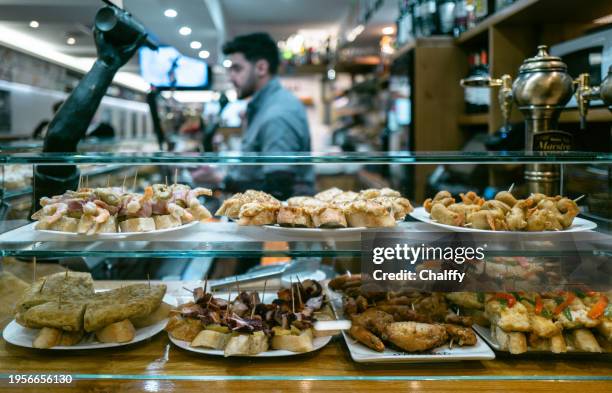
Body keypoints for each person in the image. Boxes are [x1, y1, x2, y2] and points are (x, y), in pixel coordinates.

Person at [222, 32, 314, 200]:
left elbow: (278, 190)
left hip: (275, 223)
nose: (230, 78)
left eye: (237, 69)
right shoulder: (264, 107)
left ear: (261, 68)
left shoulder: (278, 113)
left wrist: (221, 181)